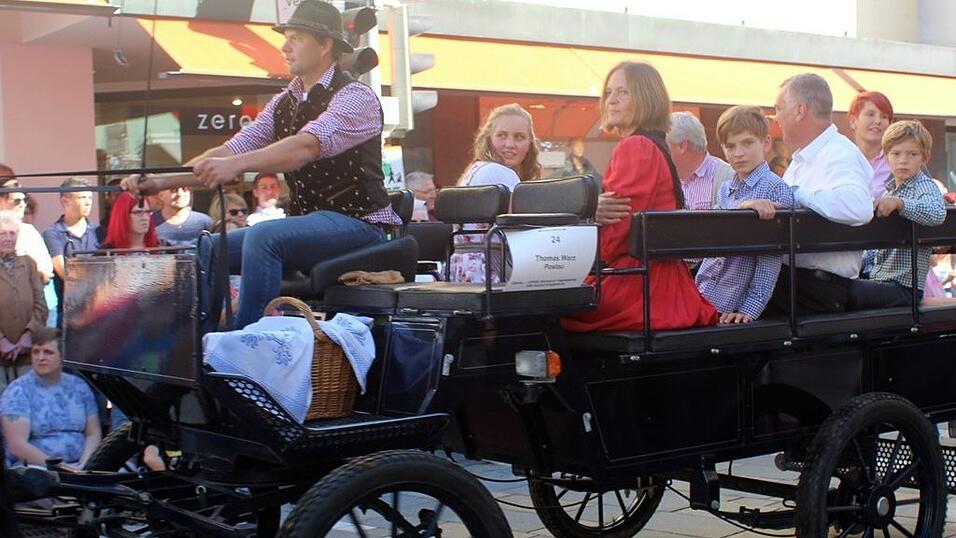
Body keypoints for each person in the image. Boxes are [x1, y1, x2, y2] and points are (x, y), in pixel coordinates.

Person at [127, 0, 402, 331]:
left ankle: (249, 345)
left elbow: (306, 146)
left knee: (264, 236)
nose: (284, 46)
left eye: (296, 37)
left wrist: (236, 166)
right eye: (285, 37)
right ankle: (200, 348)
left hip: (361, 225)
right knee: (209, 246)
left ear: (325, 44)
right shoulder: (285, 101)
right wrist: (160, 182)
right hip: (312, 223)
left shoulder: (356, 96)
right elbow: (232, 149)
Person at [562, 62, 717, 333]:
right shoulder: (655, 145)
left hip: (639, 288)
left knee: (543, 310)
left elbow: (616, 233)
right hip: (661, 285)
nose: (611, 100)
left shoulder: (636, 146)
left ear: (645, 97)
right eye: (609, 92)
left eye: (623, 92)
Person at [741, 73, 873, 316]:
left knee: (722, 313)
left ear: (800, 110)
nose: (776, 117)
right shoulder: (807, 157)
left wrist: (794, 195)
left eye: (779, 109)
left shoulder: (838, 154)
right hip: (798, 284)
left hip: (815, 289)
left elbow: (859, 207)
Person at [696, 106, 794, 323]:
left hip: (733, 306)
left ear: (766, 143)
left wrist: (749, 308)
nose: (738, 153)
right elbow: (712, 242)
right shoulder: (725, 188)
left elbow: (770, 258)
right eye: (730, 146)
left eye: (747, 143)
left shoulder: (775, 189)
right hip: (703, 294)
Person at [851, 121, 946, 308]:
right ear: (886, 157)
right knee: (833, 285)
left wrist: (901, 204)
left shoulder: (924, 186)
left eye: (913, 154)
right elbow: (878, 250)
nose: (903, 160)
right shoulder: (890, 192)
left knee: (842, 293)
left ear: (924, 158)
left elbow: (937, 212)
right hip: (882, 281)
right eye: (896, 154)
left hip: (904, 288)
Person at [449, 103, 541, 283]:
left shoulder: (474, 170)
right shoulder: (499, 173)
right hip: (491, 274)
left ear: (530, 143)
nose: (510, 144)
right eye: (502, 135)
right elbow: (525, 232)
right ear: (489, 138)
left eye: (519, 137)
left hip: (462, 270)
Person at [0, 327, 100, 471]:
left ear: (62, 356)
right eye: (35, 352)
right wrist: (60, 467)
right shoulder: (18, 391)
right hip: (36, 470)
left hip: (81, 467)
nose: (40, 358)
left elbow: (93, 432)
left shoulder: (79, 386)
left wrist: (85, 465)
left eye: (48, 352)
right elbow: (17, 446)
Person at [42, 178, 100, 322]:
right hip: (69, 313)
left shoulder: (99, 231)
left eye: (90, 197)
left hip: (100, 310)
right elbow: (63, 271)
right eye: (82, 197)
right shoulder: (53, 233)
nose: (88, 202)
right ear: (65, 202)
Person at [0, 212, 47, 392]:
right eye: (2, 233)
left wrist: (29, 334)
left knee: (29, 402)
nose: (8, 238)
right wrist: (1, 341)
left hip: (27, 351)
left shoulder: (28, 263)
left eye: (12, 233)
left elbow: (41, 304)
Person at [665, 112, 735, 209]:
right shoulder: (664, 179)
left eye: (664, 144)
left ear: (682, 146)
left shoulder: (728, 177)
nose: (659, 149)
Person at [847, 91, 894, 200]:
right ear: (853, 121)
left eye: (884, 116)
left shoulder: (903, 157)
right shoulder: (841, 159)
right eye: (870, 114)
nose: (877, 121)